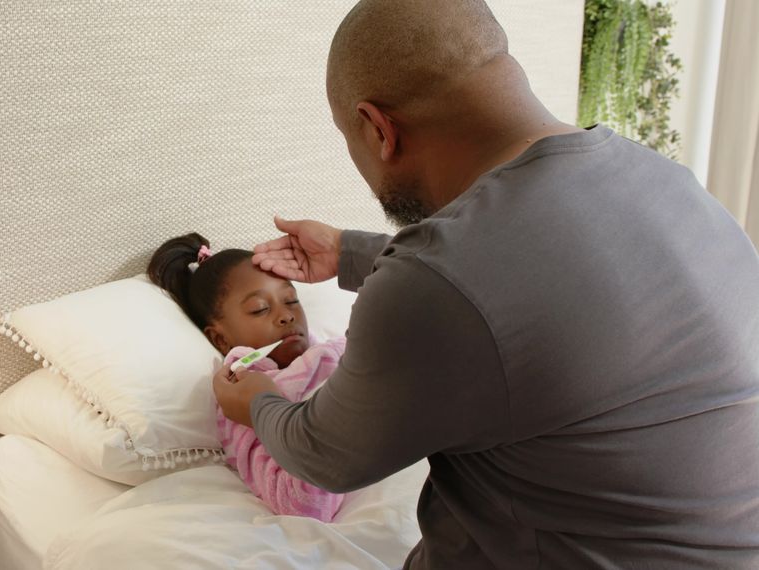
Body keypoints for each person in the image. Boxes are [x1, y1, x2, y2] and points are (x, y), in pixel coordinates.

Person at [212, 0, 759, 568]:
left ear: (378, 129)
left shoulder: (436, 280)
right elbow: (534, 285)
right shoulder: (671, 182)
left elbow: (324, 454)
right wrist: (350, 253)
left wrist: (257, 400)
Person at [147, 232, 345, 521]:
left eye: (291, 301)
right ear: (221, 340)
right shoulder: (241, 396)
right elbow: (304, 504)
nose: (286, 316)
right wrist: (264, 406)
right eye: (260, 309)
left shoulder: (338, 351)